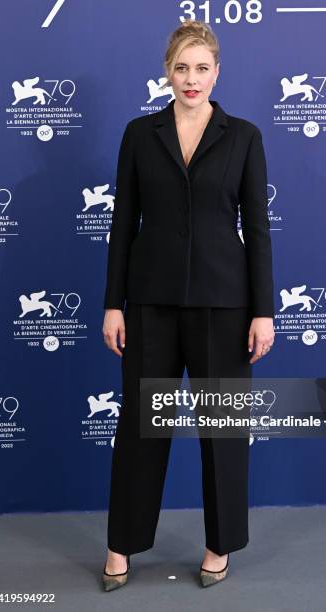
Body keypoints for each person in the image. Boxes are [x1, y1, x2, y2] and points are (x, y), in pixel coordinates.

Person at [101, 19, 275, 590]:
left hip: (225, 306)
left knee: (222, 433)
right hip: (149, 303)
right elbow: (122, 222)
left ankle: (219, 546)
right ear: (167, 72)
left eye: (202, 68)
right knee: (140, 431)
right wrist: (113, 304)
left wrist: (263, 310)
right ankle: (122, 547)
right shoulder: (139, 133)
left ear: (217, 72)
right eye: (182, 68)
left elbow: (259, 227)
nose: (191, 79)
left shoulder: (244, 136)